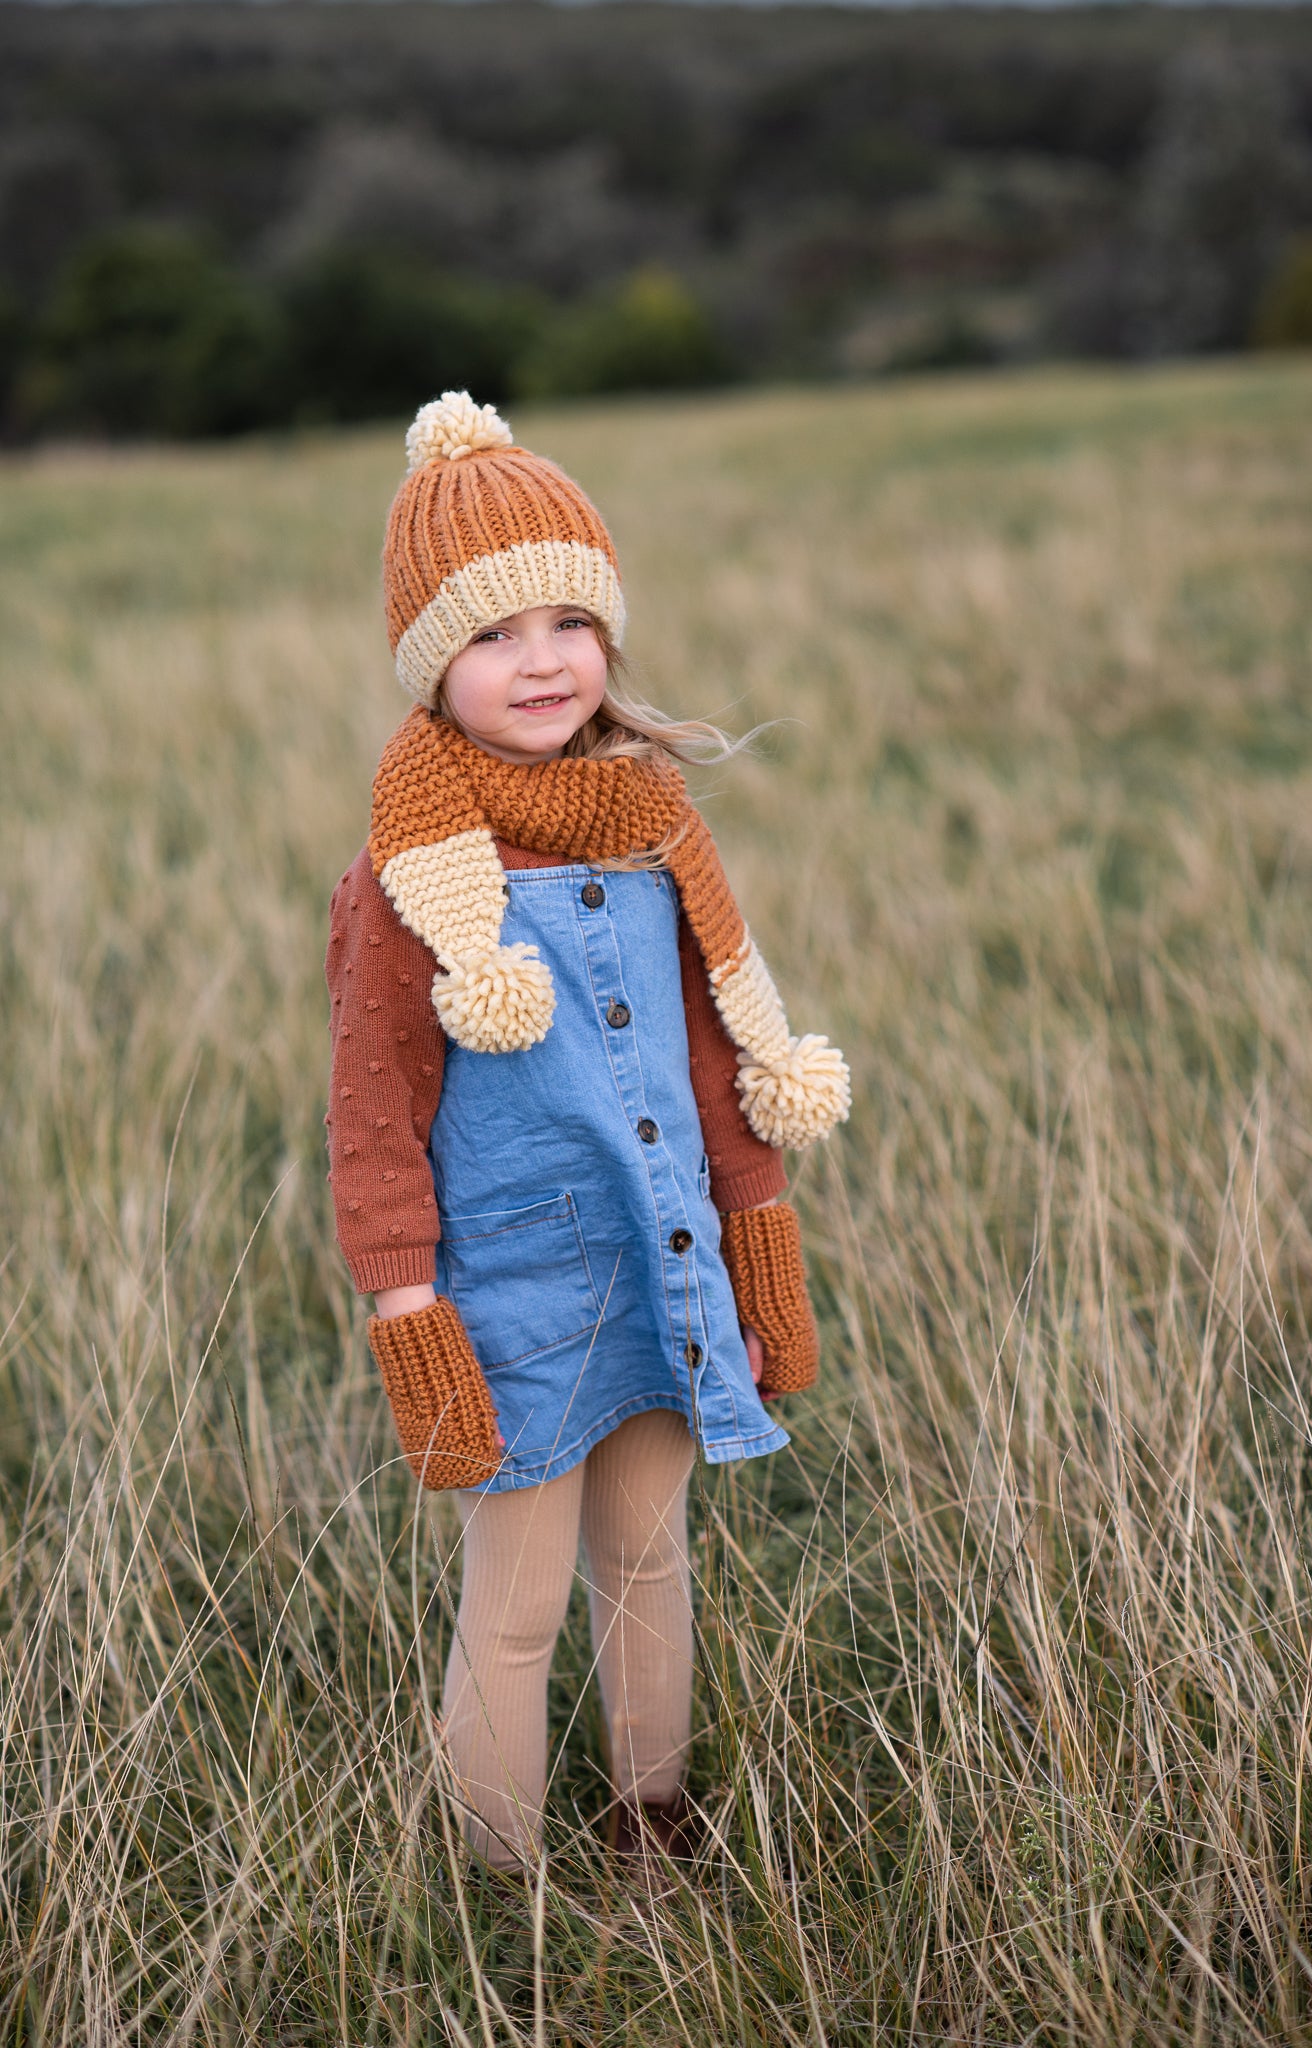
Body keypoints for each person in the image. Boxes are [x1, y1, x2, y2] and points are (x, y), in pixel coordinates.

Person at [325, 391, 850, 1881]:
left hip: (663, 1255)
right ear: (433, 662)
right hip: (511, 1297)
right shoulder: (410, 883)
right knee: (518, 1603)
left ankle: (652, 1823)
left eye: (570, 619)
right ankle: (501, 1879)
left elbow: (719, 1069)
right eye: (493, 634)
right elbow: (374, 1117)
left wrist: (760, 1254)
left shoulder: (652, 826)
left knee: (649, 1559)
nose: (543, 659)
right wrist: (408, 1311)